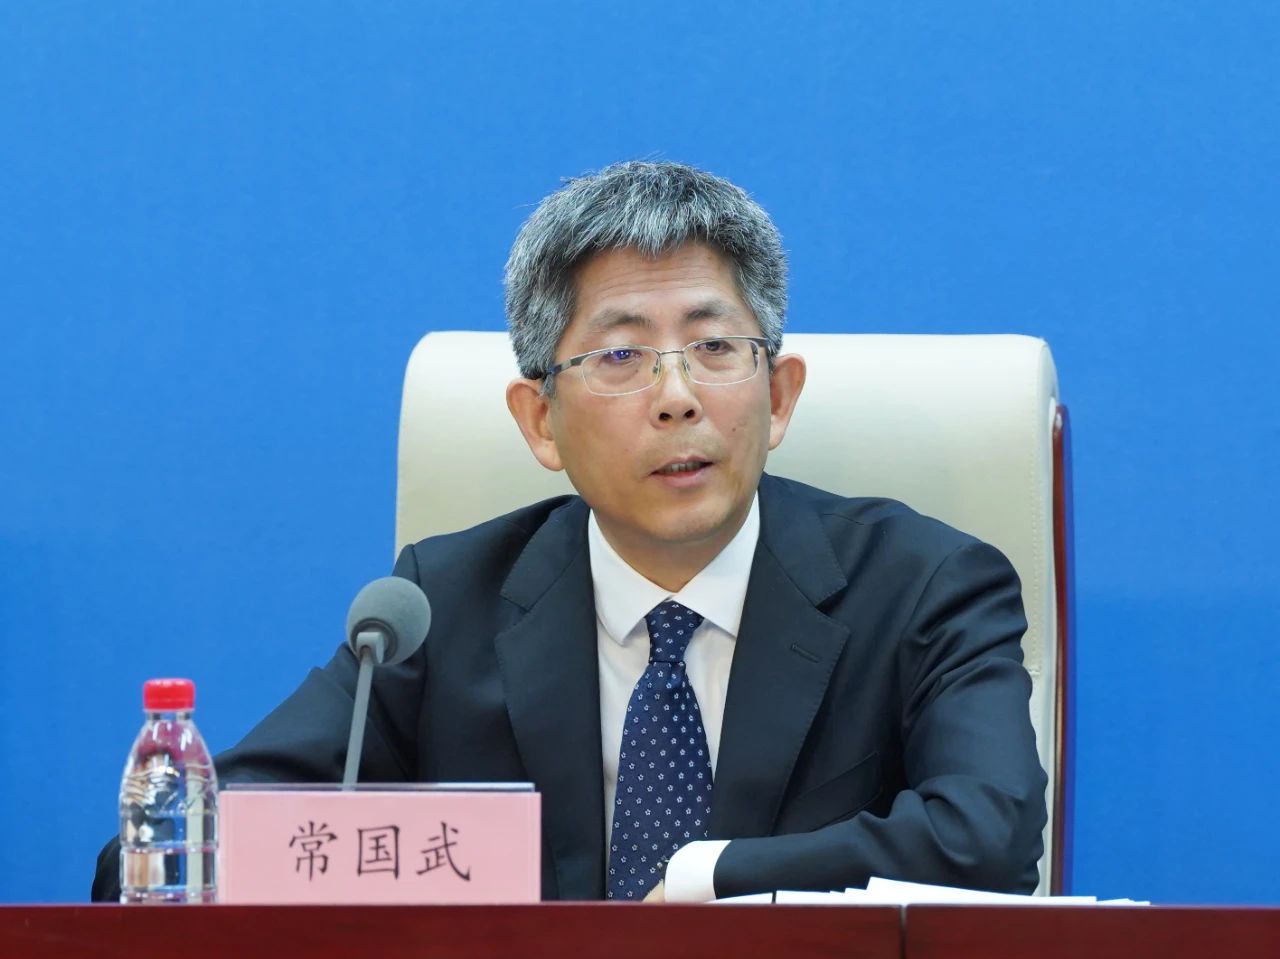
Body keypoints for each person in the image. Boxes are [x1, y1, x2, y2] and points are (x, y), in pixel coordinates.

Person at [93, 160, 1046, 903]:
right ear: (540, 420)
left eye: (715, 346)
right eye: (622, 354)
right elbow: (171, 858)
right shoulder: (435, 610)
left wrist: (710, 876)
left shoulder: (923, 586)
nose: (677, 397)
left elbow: (991, 836)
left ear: (780, 395)